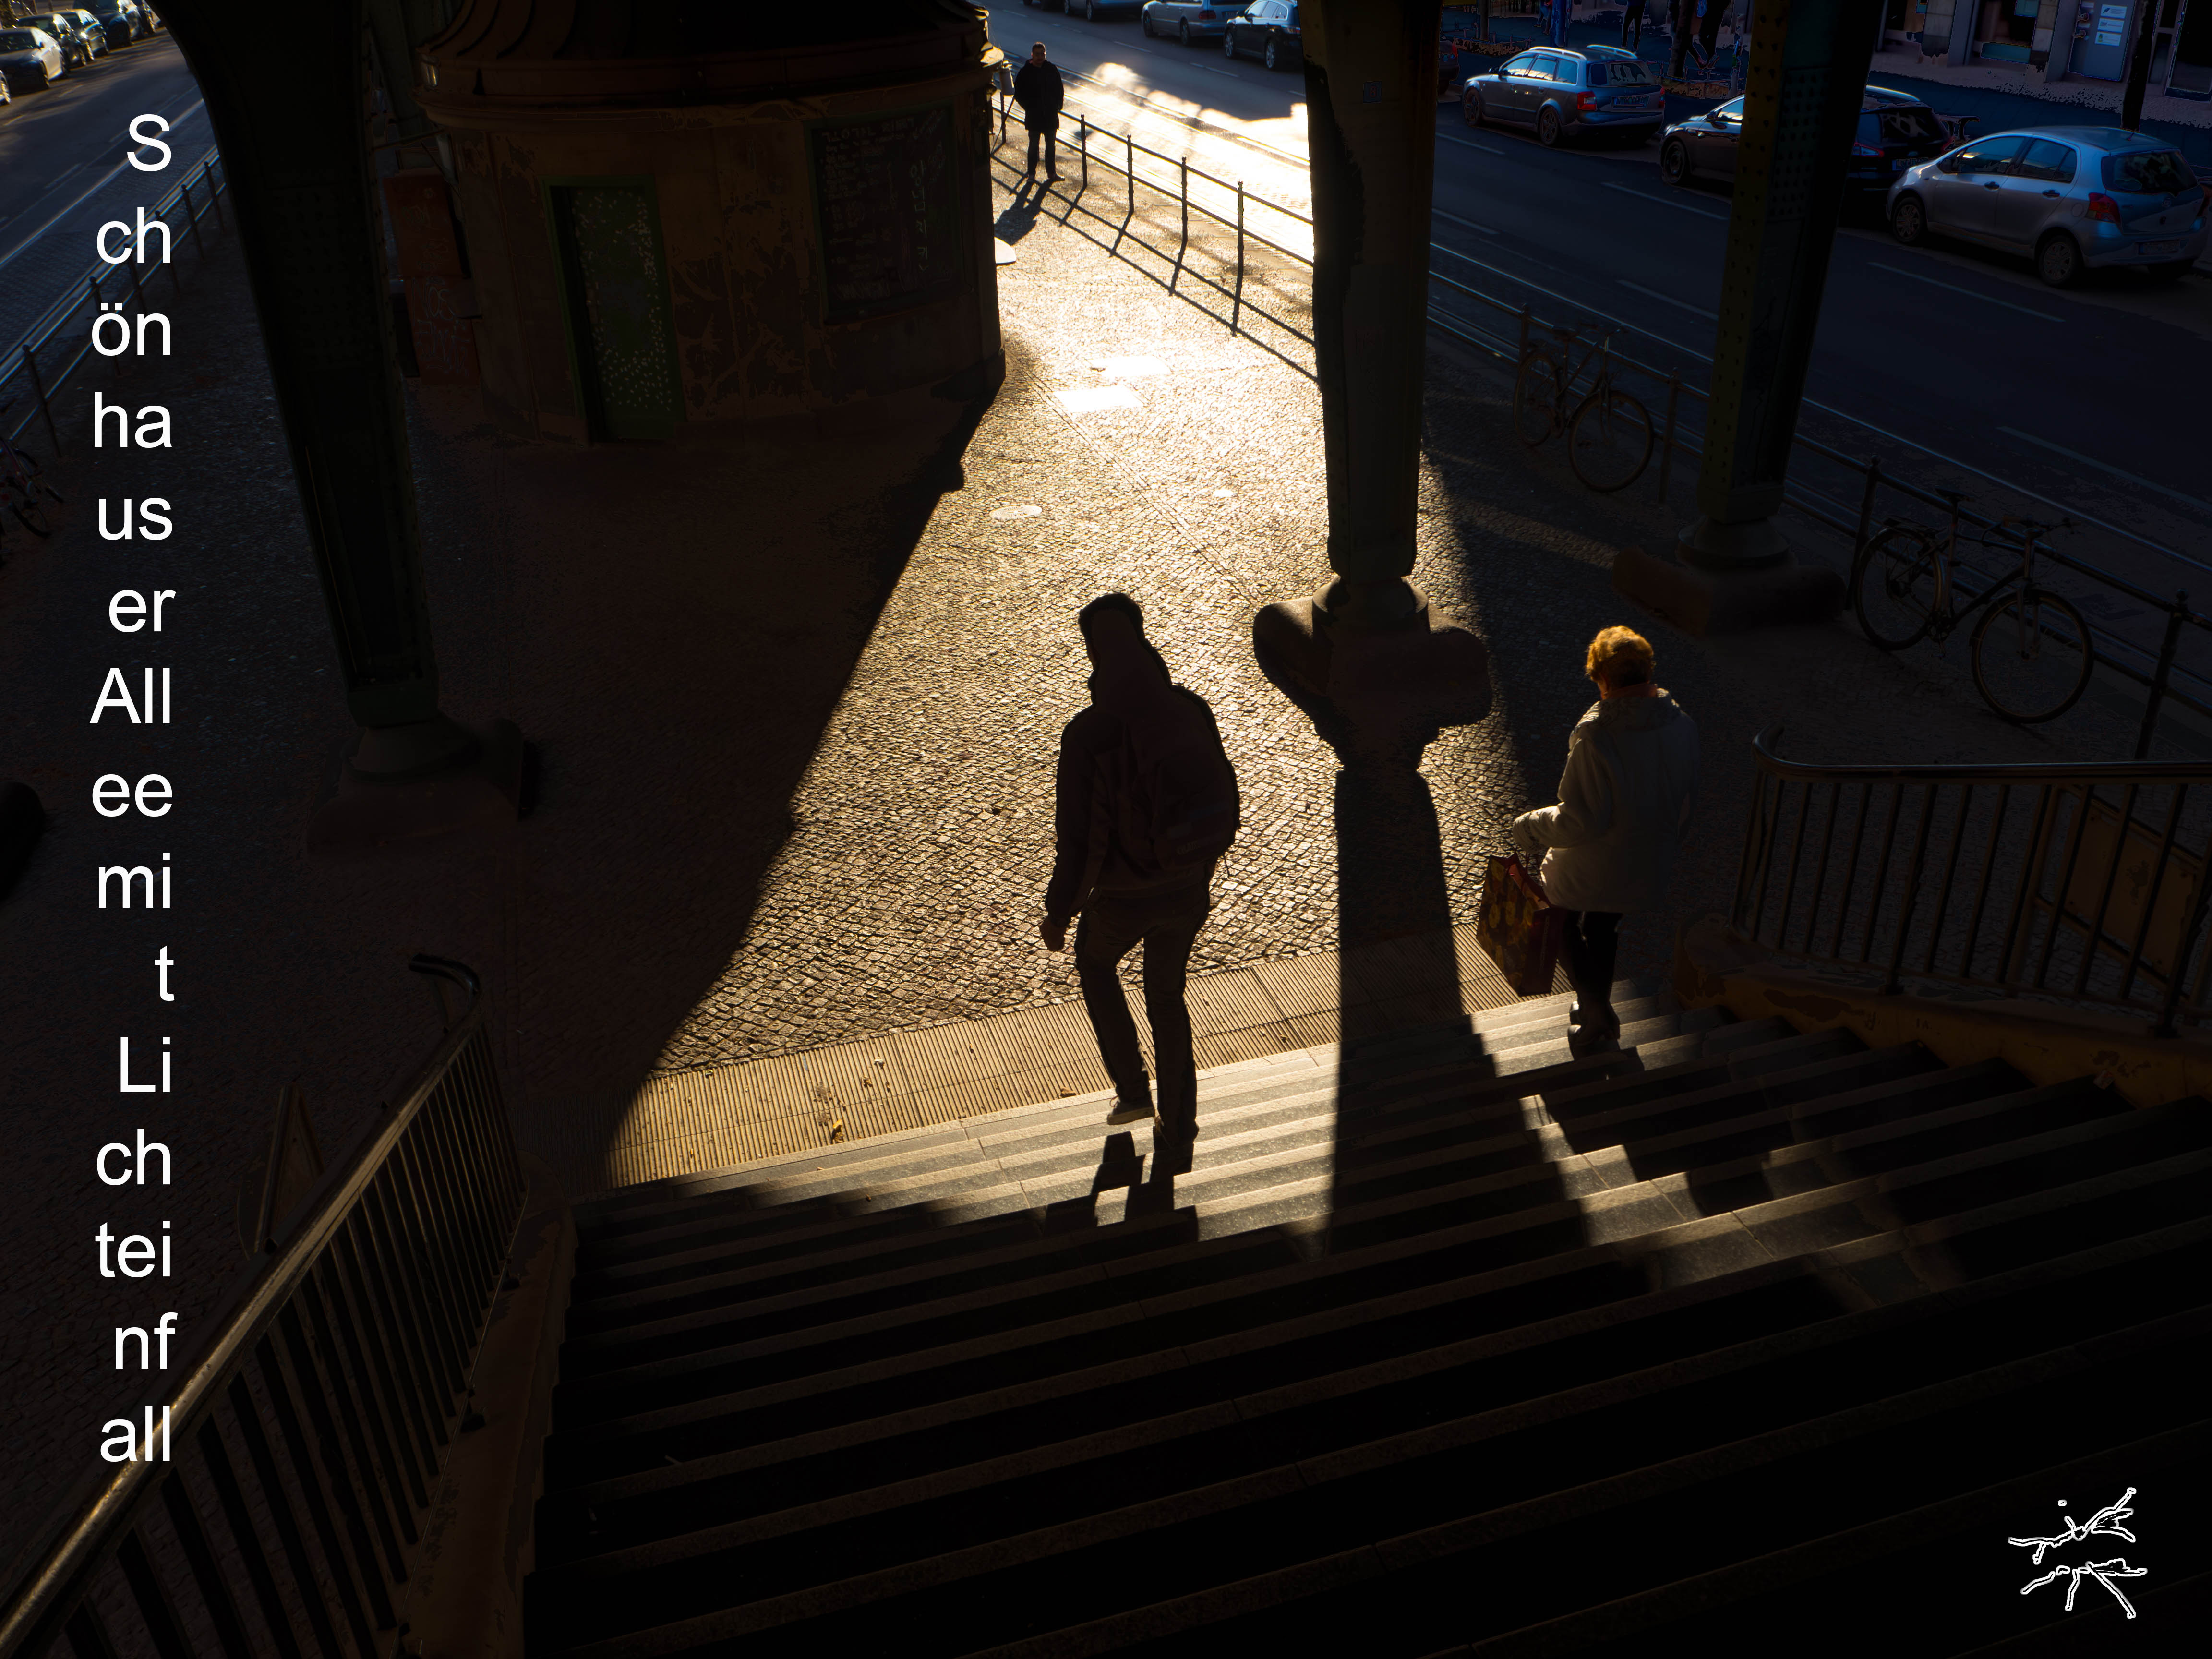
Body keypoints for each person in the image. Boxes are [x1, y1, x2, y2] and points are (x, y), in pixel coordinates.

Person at [1040, 595, 1240, 1149]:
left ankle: (1132, 1090)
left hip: (1124, 900)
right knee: (1167, 996)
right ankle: (1179, 1122)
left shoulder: (1089, 733)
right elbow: (1223, 789)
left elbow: (1079, 840)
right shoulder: (1189, 708)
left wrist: (1059, 913)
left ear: (1093, 651)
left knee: (1095, 963)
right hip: (1187, 888)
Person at [1509, 626, 1698, 1045]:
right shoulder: (1683, 726)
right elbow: (1685, 804)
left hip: (1596, 863)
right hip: (1648, 857)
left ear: (1603, 679)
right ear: (1649, 671)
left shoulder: (1597, 736)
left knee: (1561, 922)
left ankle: (1597, 1012)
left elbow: (1580, 821)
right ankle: (1598, 1004)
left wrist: (1528, 826)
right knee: (1602, 927)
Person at [1012, 40, 1065, 185]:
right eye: (1037, 55)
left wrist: (1057, 106)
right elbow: (1018, 93)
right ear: (1032, 55)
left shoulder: (1051, 69)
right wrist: (1028, 107)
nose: (1040, 57)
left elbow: (1059, 89)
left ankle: (1051, 173)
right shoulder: (1026, 72)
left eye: (1042, 54)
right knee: (1034, 147)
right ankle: (1031, 174)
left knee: (1050, 147)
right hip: (1034, 116)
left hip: (1050, 116)